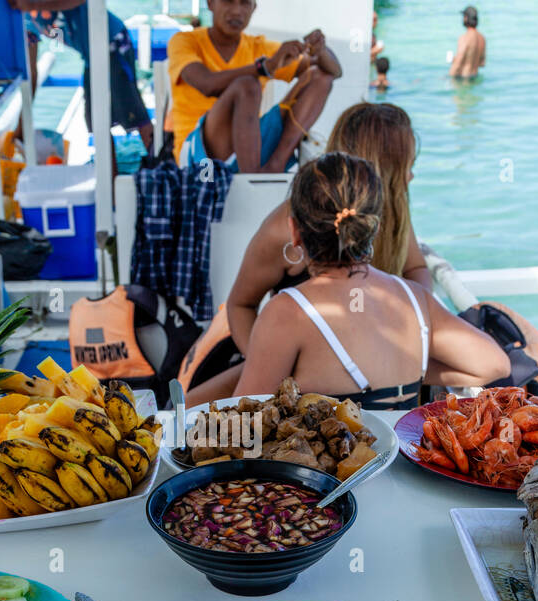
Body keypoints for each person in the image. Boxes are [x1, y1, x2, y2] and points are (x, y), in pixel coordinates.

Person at [186, 103, 443, 403]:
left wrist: (417, 319)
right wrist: (266, 360)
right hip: (296, 364)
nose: (411, 176)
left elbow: (416, 269)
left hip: (374, 354)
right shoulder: (287, 226)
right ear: (385, 168)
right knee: (189, 407)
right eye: (407, 165)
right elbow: (241, 304)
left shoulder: (391, 211)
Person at [232, 153, 509, 407]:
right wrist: (416, 365)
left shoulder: (287, 312)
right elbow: (495, 364)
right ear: (372, 228)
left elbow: (242, 424)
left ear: (294, 232)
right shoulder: (415, 298)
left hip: (321, 463)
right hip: (403, 458)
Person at [167, 0, 341, 173]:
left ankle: (276, 164)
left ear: (253, 8)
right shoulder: (183, 41)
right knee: (247, 84)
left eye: (244, 3)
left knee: (320, 77)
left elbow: (335, 71)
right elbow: (206, 84)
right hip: (200, 157)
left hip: (248, 148)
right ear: (210, 3)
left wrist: (320, 49)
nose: (236, 11)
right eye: (228, 2)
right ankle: (252, 180)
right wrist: (264, 68)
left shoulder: (259, 47)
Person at [10, 0, 153, 152]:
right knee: (97, 125)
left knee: (135, 114)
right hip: (90, 56)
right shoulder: (22, 18)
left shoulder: (28, 6)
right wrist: (20, 128)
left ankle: (160, 164)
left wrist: (34, 5)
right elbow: (31, 73)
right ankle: (109, 175)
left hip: (112, 42)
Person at [450, 6, 486, 79]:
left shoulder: (464, 37)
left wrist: (450, 77)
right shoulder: (482, 38)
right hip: (474, 77)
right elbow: (482, 63)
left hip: (463, 79)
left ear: (466, 18)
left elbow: (459, 60)